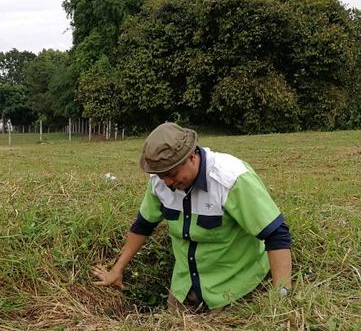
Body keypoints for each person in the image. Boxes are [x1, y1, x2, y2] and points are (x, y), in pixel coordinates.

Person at [92, 122, 292, 311]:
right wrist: (117, 269)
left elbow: (276, 234)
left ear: (191, 157)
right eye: (162, 175)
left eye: (173, 173)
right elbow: (143, 225)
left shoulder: (231, 180)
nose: (168, 182)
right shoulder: (160, 182)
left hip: (233, 289)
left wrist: (280, 299)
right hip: (184, 285)